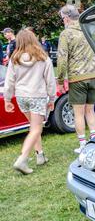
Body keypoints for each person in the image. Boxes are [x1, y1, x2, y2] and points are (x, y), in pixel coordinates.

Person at [3, 30, 56, 174]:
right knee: (36, 129)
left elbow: (9, 81)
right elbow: (50, 81)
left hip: (21, 97)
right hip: (37, 96)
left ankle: (40, 155)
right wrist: (52, 98)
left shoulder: (15, 58)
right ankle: (23, 159)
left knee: (33, 127)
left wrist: (7, 99)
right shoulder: (43, 58)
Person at [57, 5, 95, 153]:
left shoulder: (66, 33)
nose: (63, 21)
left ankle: (83, 144)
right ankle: (94, 141)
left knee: (78, 113)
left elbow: (62, 59)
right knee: (91, 111)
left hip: (77, 77)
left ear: (67, 17)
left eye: (62, 18)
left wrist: (60, 79)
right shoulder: (89, 29)